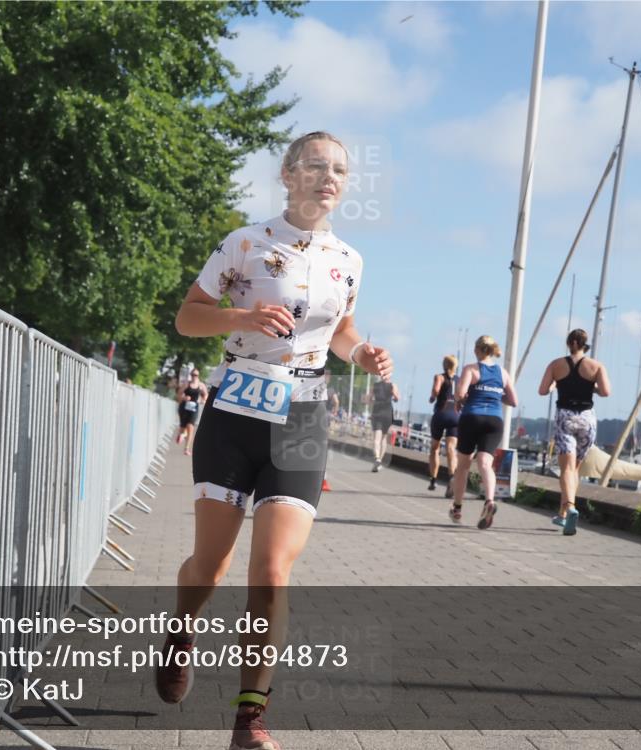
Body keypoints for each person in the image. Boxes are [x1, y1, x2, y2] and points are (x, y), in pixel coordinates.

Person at [158, 131, 393, 750]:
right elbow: (188, 315)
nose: (329, 177)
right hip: (235, 411)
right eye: (316, 165)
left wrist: (362, 353)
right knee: (211, 566)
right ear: (288, 175)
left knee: (272, 571)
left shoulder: (350, 259)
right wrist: (240, 317)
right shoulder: (245, 242)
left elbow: (340, 331)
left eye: (340, 169)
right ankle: (181, 628)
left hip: (303, 417)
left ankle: (249, 717)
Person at [537, 329, 611, 536]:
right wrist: (591, 387)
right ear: (585, 344)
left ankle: (569, 507)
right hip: (587, 419)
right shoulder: (596, 366)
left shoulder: (556, 365)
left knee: (567, 469)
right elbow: (605, 392)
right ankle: (563, 513)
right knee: (574, 469)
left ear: (569, 343)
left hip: (565, 418)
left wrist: (555, 385)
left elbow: (542, 390)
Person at [449, 337, 518, 528]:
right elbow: (513, 401)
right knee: (485, 464)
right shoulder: (502, 373)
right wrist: (494, 394)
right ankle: (489, 501)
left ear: (477, 350)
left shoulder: (471, 369)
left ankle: (457, 508)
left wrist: (462, 399)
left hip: (472, 417)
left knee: (463, 466)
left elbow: (460, 394)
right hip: (494, 421)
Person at [427, 356, 460, 496]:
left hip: (441, 414)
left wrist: (432, 398)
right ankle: (452, 478)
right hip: (456, 415)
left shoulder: (439, 377)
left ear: (444, 365)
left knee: (435, 448)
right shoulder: (460, 379)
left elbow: (435, 391)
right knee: (451, 449)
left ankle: (433, 480)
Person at [368, 377, 399, 471]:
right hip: (387, 413)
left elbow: (368, 399)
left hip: (377, 412)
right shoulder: (393, 385)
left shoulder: (375, 386)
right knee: (383, 438)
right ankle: (379, 460)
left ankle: (377, 459)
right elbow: (397, 398)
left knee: (377, 438)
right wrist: (393, 394)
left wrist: (373, 402)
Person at [175, 368, 208, 456]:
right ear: (190, 375)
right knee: (182, 428)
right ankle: (183, 434)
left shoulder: (201, 385)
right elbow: (178, 394)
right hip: (184, 408)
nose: (194, 377)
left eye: (196, 375)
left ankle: (187, 448)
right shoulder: (186, 384)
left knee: (190, 427)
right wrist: (184, 398)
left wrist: (202, 400)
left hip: (194, 409)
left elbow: (206, 396)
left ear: (198, 376)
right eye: (192, 375)